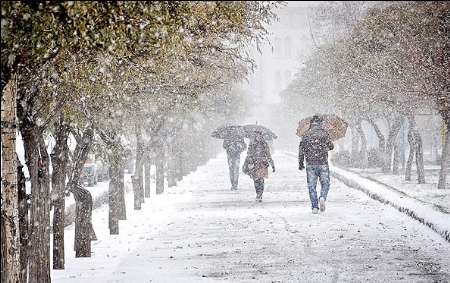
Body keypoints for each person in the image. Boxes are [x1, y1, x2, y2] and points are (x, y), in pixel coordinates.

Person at [298, 115, 334, 214]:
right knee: (325, 183)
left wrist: (301, 163)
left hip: (310, 163)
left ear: (311, 123)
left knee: (311, 186)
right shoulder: (324, 133)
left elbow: (301, 151)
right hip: (323, 162)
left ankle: (314, 207)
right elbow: (331, 146)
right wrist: (325, 144)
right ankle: (322, 197)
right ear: (320, 123)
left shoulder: (306, 134)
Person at [243, 131, 275, 202]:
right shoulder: (252, 144)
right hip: (254, 164)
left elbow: (268, 155)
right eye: (257, 136)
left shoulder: (264, 144)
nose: (258, 137)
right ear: (255, 136)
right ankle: (258, 193)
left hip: (262, 164)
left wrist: (272, 164)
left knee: (261, 180)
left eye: (260, 136)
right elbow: (248, 154)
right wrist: (250, 160)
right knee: (256, 180)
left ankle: (260, 194)